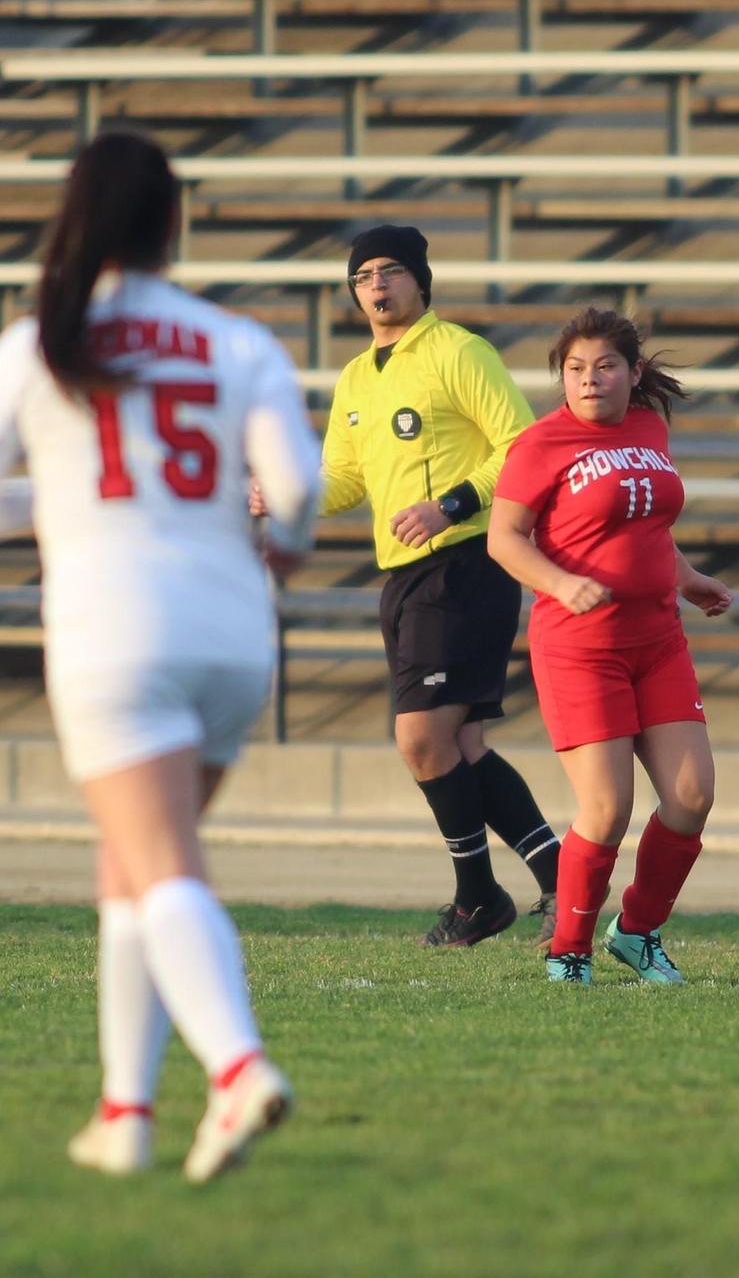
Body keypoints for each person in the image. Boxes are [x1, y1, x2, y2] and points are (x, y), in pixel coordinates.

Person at [0, 132, 316, 1181]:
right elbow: (302, 496)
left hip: (115, 629)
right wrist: (271, 541)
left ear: (73, 215)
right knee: (131, 868)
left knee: (163, 867)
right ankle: (126, 1114)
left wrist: (56, 505)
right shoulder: (236, 339)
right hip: (236, 630)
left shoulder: (38, 339)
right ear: (173, 222)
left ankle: (237, 1071)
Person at [255, 222, 560, 948]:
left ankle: (479, 896)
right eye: (364, 276)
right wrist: (282, 491)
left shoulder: (458, 350)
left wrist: (450, 503)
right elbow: (347, 478)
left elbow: (524, 448)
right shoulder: (359, 376)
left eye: (391, 271)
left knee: (420, 737)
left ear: (421, 281)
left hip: (464, 562)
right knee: (461, 745)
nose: (377, 286)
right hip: (402, 574)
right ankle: (560, 873)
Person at [488, 309, 733, 984]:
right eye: (575, 368)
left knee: (691, 795)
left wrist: (688, 580)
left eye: (604, 366)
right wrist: (561, 584)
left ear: (632, 372)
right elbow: (505, 538)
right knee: (606, 808)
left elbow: (647, 525)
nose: (589, 379)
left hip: (657, 638)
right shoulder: (542, 443)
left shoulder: (650, 427)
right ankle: (568, 949)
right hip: (580, 647)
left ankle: (637, 931)